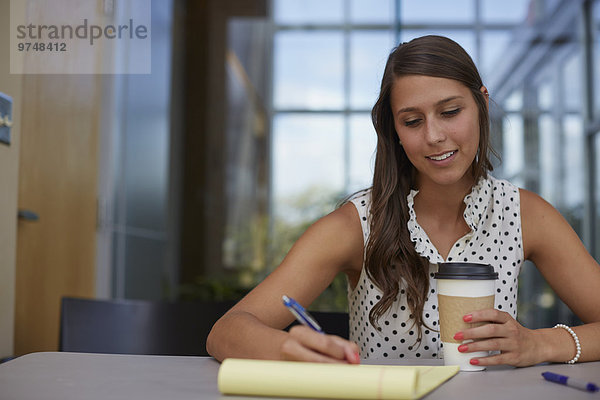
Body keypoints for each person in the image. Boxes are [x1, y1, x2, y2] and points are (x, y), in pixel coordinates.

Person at [206, 35, 600, 367]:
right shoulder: (357, 224)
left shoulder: (525, 213)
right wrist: (286, 350)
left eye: (450, 112)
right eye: (412, 121)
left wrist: (541, 344)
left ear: (481, 103)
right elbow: (226, 332)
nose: (434, 136)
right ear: (393, 129)